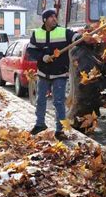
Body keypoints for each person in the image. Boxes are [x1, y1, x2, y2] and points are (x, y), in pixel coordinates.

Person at [27, 9, 80, 141]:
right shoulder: (37, 33)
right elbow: (30, 50)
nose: (54, 19)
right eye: (51, 17)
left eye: (55, 17)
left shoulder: (63, 31)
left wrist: (82, 37)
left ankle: (60, 130)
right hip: (43, 73)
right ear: (45, 20)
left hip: (59, 73)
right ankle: (40, 124)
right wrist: (42, 57)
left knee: (58, 102)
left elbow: (75, 37)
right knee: (40, 100)